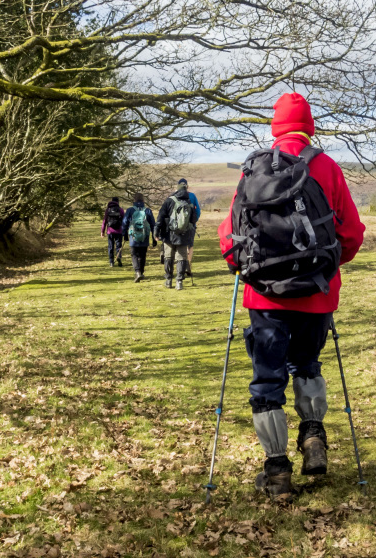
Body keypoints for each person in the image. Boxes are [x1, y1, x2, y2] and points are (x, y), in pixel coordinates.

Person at [218, 93, 365, 501]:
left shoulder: (254, 169)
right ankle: (313, 435)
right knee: (307, 365)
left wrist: (242, 267)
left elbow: (230, 237)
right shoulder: (327, 167)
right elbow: (351, 234)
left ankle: (277, 471)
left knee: (267, 381)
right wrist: (327, 268)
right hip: (317, 295)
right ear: (310, 125)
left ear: (275, 127)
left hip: (264, 298)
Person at [156, 182, 198, 291]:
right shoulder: (189, 202)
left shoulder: (169, 200)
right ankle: (179, 282)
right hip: (184, 236)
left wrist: (156, 231)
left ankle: (168, 280)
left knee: (168, 257)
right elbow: (193, 220)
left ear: (177, 189)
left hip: (169, 234)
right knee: (182, 258)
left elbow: (160, 217)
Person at [121, 193, 157, 283]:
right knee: (142, 255)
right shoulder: (148, 210)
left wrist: (124, 234)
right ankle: (141, 272)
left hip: (133, 237)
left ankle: (137, 271)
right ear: (143, 200)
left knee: (134, 254)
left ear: (134, 200)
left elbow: (124, 222)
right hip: (145, 236)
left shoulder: (130, 210)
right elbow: (153, 225)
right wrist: (154, 237)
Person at [176, 178, 201, 276]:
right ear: (187, 186)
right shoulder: (192, 196)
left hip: (178, 227)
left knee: (180, 246)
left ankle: (181, 266)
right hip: (191, 226)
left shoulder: (174, 196)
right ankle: (188, 265)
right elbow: (198, 210)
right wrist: (194, 221)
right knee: (190, 246)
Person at [101, 197, 125, 267]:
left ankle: (111, 262)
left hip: (110, 231)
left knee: (110, 246)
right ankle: (119, 257)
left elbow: (104, 221)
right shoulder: (120, 210)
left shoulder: (108, 210)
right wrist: (125, 230)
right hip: (119, 231)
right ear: (118, 202)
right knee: (118, 246)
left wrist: (102, 231)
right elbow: (124, 221)